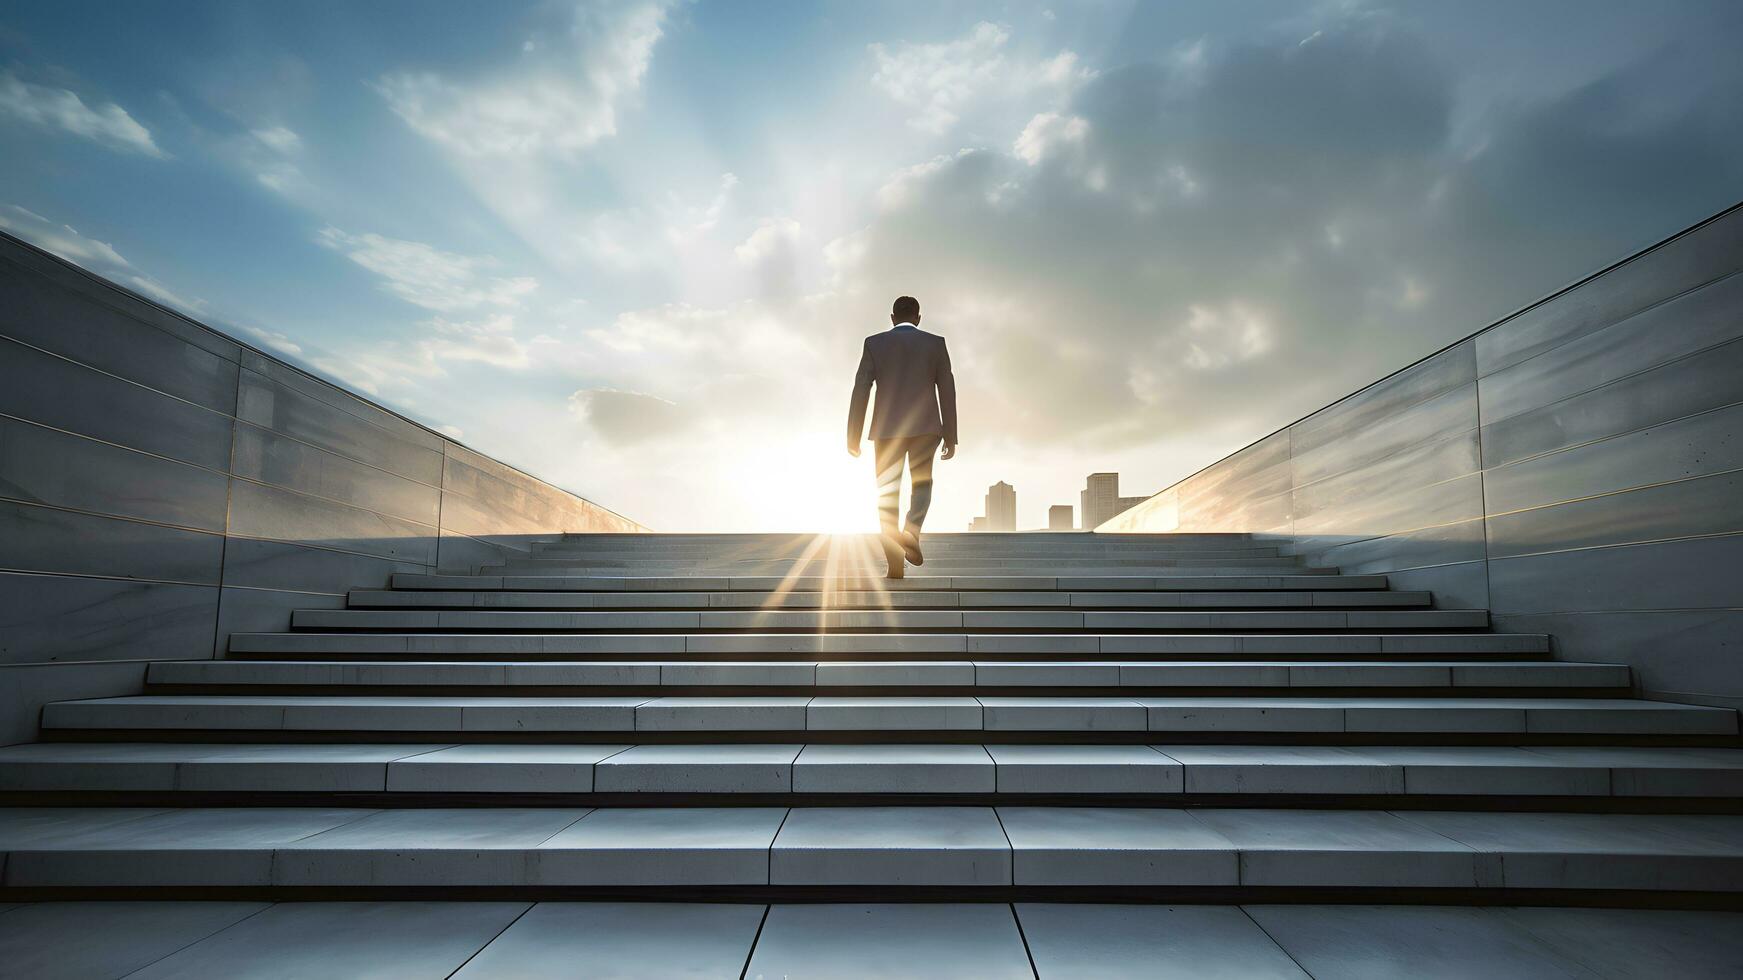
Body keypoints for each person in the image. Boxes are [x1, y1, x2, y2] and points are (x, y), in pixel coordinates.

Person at [846, 295, 958, 578]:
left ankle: (894, 564)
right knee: (922, 485)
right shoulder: (936, 344)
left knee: (887, 494)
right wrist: (951, 434)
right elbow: (947, 389)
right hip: (926, 428)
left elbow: (861, 388)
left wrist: (853, 436)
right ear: (918, 318)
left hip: (887, 430)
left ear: (892, 318)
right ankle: (911, 531)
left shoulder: (874, 344)